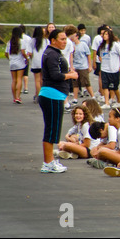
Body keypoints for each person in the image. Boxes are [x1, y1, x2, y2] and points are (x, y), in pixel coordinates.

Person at [38, 29, 78, 173]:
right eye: (61, 39)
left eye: (65, 39)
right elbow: (55, 75)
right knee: (51, 130)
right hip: (51, 95)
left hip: (54, 95)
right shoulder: (52, 54)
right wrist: (70, 75)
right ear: (53, 40)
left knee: (53, 130)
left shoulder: (54, 53)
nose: (64, 41)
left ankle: (50, 161)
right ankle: (48, 163)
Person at [98, 29, 120, 109]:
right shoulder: (102, 46)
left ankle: (119, 101)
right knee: (105, 86)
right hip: (104, 69)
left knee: (115, 87)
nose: (105, 36)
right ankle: (107, 103)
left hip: (114, 69)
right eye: (104, 34)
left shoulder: (115, 45)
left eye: (106, 34)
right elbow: (100, 55)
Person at [5, 27, 28, 104]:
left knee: (14, 80)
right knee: (19, 79)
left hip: (12, 63)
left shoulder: (9, 42)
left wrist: (10, 59)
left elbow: (6, 53)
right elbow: (23, 52)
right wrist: (27, 59)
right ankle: (18, 97)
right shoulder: (21, 41)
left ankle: (14, 97)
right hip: (20, 63)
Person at [71, 31, 94, 104]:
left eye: (73, 36)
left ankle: (93, 97)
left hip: (83, 67)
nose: (72, 38)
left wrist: (89, 65)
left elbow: (88, 55)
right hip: (75, 67)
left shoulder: (83, 45)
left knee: (86, 82)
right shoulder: (71, 45)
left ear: (77, 36)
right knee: (75, 84)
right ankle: (75, 99)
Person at [28, 26, 49, 103]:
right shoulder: (46, 41)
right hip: (44, 62)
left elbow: (29, 53)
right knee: (42, 79)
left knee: (37, 80)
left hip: (35, 62)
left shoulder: (32, 41)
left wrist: (32, 58)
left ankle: (38, 96)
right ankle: (43, 95)